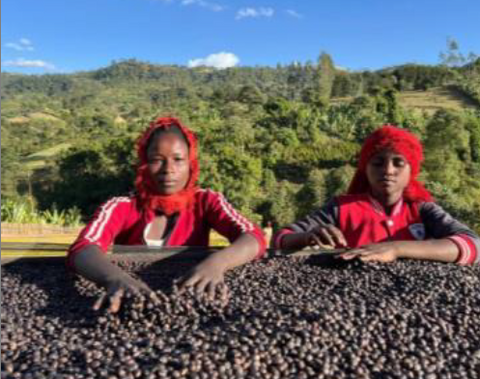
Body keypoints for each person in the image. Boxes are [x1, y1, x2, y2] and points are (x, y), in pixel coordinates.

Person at [68, 117, 267, 312]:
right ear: (144, 165)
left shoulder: (206, 201)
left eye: (178, 160)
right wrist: (115, 279)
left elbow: (253, 237)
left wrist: (217, 263)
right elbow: (84, 249)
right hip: (133, 302)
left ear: (191, 164)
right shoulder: (122, 206)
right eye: (156, 160)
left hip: (189, 300)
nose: (168, 170)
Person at [272, 125, 479, 265]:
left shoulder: (422, 209)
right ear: (365, 169)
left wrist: (396, 249)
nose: (388, 170)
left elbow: (473, 245)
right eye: (378, 163)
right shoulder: (341, 208)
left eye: (399, 163)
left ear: (412, 170)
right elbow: (281, 239)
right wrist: (307, 237)